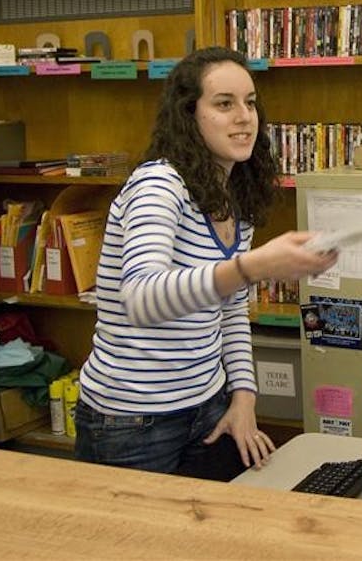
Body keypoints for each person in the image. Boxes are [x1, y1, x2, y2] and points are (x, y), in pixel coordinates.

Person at [75, 46, 338, 480]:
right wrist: (253, 266)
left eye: (250, 102)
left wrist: (244, 396)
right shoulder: (159, 185)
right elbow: (142, 297)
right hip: (133, 421)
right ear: (188, 115)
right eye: (224, 104)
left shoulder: (237, 196)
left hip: (208, 405)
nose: (244, 117)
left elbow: (230, 310)